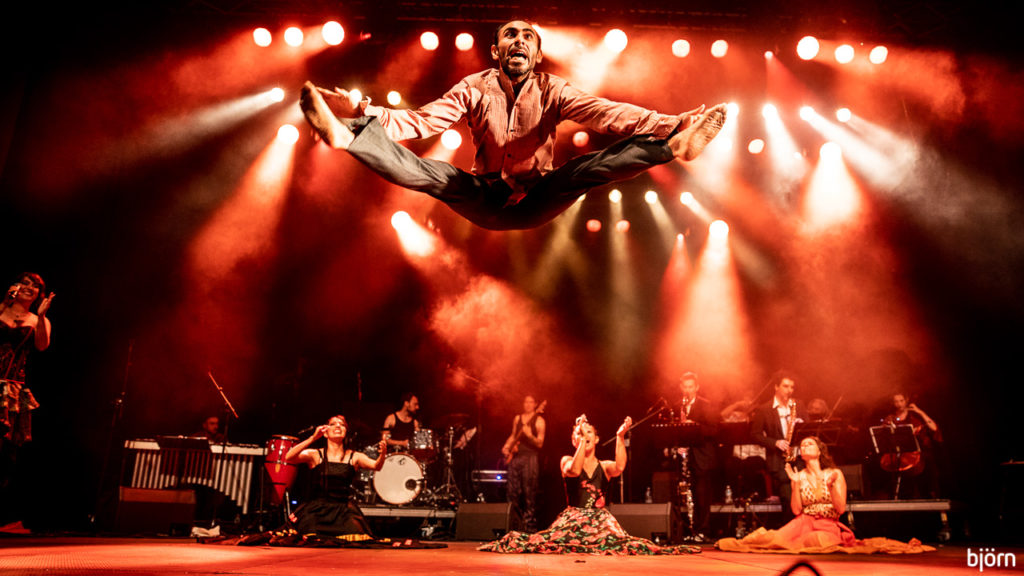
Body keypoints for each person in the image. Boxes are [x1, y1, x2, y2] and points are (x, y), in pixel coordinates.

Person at [298, 19, 728, 231]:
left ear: (537, 56)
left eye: (527, 37)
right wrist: (363, 111)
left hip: (538, 196)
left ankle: (673, 147)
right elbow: (421, 121)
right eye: (510, 35)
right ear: (496, 51)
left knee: (585, 170)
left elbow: (607, 113)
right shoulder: (473, 87)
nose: (518, 40)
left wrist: (672, 124)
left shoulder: (553, 89)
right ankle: (348, 137)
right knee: (438, 175)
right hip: (484, 198)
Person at [480, 415, 700, 555]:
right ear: (574, 440)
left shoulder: (604, 466)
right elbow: (575, 471)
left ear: (596, 439)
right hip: (574, 517)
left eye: (589, 434)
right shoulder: (566, 460)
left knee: (620, 543)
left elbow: (620, 466)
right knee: (556, 542)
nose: (584, 437)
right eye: (579, 435)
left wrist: (620, 437)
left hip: (600, 519)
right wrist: (581, 438)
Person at [716, 436, 934, 554]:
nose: (805, 446)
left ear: (819, 450)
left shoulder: (834, 473)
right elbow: (796, 510)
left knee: (817, 540)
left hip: (827, 523)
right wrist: (794, 484)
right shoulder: (799, 475)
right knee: (773, 540)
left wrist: (830, 487)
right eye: (802, 445)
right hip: (803, 521)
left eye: (810, 443)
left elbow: (840, 509)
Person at [0, 273, 53, 531]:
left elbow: (42, 346)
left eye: (35, 286)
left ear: (39, 295)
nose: (29, 288)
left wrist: (41, 316)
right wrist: (4, 302)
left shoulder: (37, 319)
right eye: (25, 283)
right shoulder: (0, 309)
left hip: (11, 390)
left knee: (6, 454)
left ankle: (4, 515)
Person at [284, 415, 387, 540]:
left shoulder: (354, 456)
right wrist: (313, 438)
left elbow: (376, 466)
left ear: (345, 432)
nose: (338, 426)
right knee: (309, 535)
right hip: (317, 510)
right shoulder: (316, 455)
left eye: (342, 424)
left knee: (356, 535)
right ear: (325, 433)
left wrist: (382, 454)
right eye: (333, 424)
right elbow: (289, 457)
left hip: (343, 510)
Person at [749, 371, 804, 526]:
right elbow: (755, 435)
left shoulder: (798, 405)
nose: (789, 390)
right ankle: (790, 531)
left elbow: (809, 430)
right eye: (785, 386)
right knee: (788, 498)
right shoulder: (764, 409)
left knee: (803, 497)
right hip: (779, 461)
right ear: (776, 387)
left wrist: (802, 425)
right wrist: (775, 443)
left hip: (799, 459)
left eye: (792, 387)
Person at [670, 372, 716, 542]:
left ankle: (703, 531)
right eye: (685, 387)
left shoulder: (706, 405)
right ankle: (690, 529)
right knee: (689, 494)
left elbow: (714, 429)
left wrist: (694, 426)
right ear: (681, 388)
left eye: (691, 387)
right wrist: (677, 446)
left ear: (697, 387)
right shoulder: (677, 406)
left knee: (702, 496)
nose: (688, 390)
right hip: (685, 457)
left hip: (702, 456)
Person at [882, 393, 943, 499]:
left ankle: (930, 493)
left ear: (906, 401)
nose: (899, 404)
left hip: (918, 452)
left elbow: (934, 428)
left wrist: (919, 411)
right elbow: (884, 435)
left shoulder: (915, 416)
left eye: (901, 401)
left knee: (928, 461)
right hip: (900, 453)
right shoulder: (891, 418)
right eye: (896, 401)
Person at [501, 394, 546, 533]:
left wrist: (529, 435)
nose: (527, 404)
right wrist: (507, 446)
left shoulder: (539, 421)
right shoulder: (517, 418)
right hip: (516, 458)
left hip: (530, 458)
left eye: (530, 402)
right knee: (512, 491)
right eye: (525, 402)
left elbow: (540, 443)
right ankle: (513, 524)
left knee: (529, 492)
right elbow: (513, 435)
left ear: (535, 404)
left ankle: (529, 526)